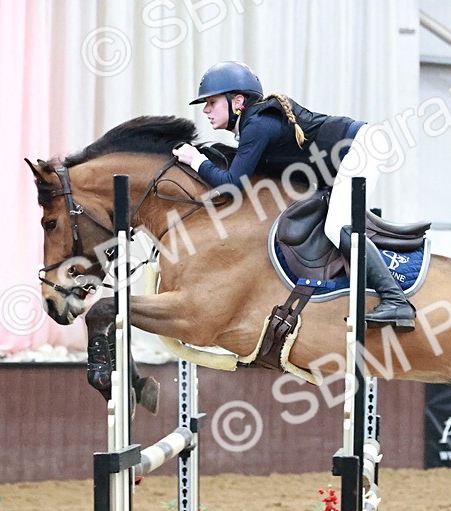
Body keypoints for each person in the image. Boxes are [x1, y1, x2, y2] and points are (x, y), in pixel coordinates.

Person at [173, 61, 415, 329]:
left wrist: (196, 160)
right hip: (350, 153)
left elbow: (231, 184)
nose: (206, 109)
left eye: (212, 101)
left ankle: (396, 301)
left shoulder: (257, 125)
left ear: (238, 100)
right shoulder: (253, 125)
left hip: (361, 147)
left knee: (337, 227)